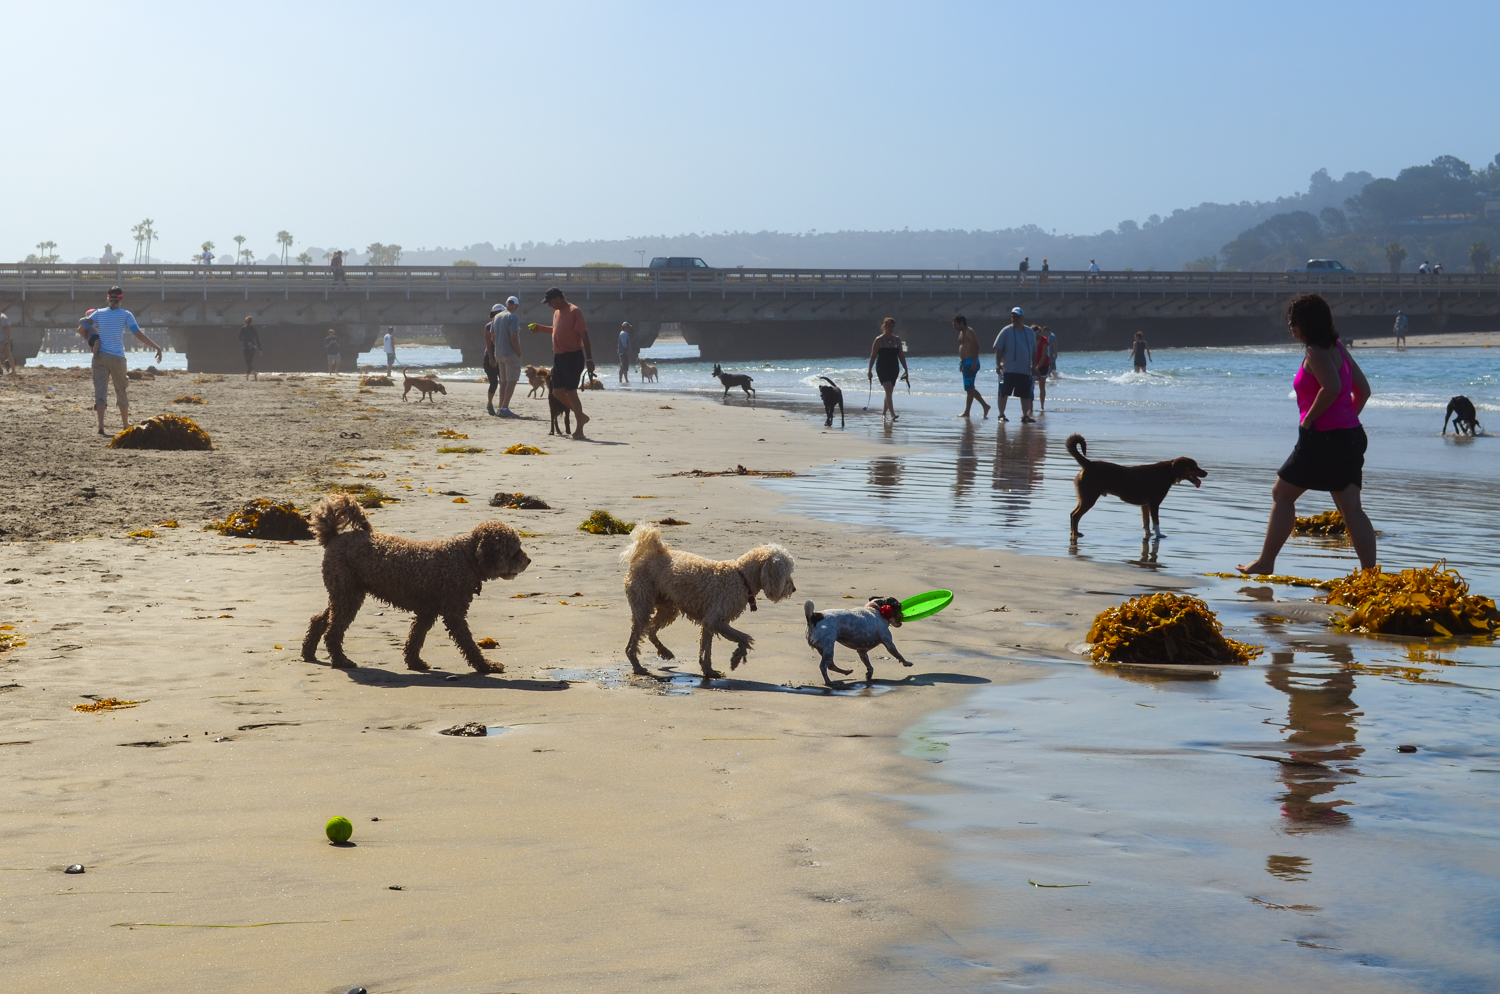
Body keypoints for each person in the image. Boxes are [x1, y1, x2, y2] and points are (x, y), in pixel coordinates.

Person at [1238, 293, 1375, 575]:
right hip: (1350, 436)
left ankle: (1265, 563)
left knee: (1282, 494)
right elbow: (1363, 391)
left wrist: (1308, 422)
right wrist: (1346, 421)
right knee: (1351, 507)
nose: (1290, 325)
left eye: (1294, 320)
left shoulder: (1315, 351)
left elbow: (1333, 387)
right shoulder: (1337, 346)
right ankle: (1369, 574)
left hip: (1322, 438)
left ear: (1307, 323)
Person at [78, 286, 163, 436]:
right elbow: (138, 335)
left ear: (108, 298)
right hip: (117, 357)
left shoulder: (98, 313)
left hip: (100, 357)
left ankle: (101, 427)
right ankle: (125, 425)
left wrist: (91, 344)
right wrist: (157, 347)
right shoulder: (126, 315)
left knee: (100, 391)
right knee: (121, 390)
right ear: (121, 299)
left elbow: (81, 328)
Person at [529, 287, 594, 439]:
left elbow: (584, 335)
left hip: (573, 357)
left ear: (558, 298)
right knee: (556, 391)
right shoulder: (557, 312)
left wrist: (590, 359)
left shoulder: (574, 311)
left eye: (550, 302)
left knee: (571, 392)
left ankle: (579, 431)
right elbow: (557, 330)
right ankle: (581, 416)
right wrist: (541, 329)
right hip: (559, 357)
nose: (549, 305)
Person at [993, 307, 1037, 423]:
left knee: (1025, 394)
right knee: (1003, 392)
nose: (1015, 319)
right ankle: (1001, 415)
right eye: (1013, 317)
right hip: (1008, 369)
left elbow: (1034, 351)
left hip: (1025, 369)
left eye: (1017, 317)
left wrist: (1034, 366)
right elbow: (998, 348)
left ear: (1022, 318)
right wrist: (998, 365)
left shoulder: (1029, 332)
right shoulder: (1006, 331)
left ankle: (1025, 415)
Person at [866, 317, 909, 421]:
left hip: (894, 367)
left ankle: (884, 413)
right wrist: (869, 370)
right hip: (882, 367)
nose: (891, 328)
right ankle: (893, 414)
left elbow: (901, 355)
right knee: (888, 389)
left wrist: (906, 370)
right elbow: (873, 355)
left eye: (893, 326)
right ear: (884, 327)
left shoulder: (898, 340)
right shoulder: (878, 340)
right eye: (889, 326)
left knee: (889, 392)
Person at [954, 315, 990, 419]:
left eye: (955, 324)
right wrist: (962, 363)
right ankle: (984, 406)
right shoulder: (961, 333)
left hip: (971, 362)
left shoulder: (969, 332)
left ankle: (968, 412)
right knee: (969, 388)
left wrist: (974, 362)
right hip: (966, 363)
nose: (954, 327)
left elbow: (976, 346)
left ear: (961, 323)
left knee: (970, 388)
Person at [492, 296, 523, 417]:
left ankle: (501, 406)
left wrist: (500, 347)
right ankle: (505, 408)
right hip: (510, 354)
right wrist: (518, 352)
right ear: (516, 306)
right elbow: (514, 337)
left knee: (503, 382)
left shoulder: (496, 317)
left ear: (506, 304)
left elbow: (492, 338)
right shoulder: (513, 317)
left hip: (499, 354)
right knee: (512, 381)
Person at [1032, 325, 1053, 412]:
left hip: (1043, 365)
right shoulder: (1031, 340)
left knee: (1042, 386)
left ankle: (1042, 406)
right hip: (1033, 364)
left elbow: (1044, 355)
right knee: (1030, 386)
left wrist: (1038, 367)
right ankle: (1030, 406)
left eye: (1036, 333)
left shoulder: (1044, 339)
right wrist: (1033, 366)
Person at [239, 316, 262, 380]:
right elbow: (257, 339)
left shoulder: (243, 328)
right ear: (251, 322)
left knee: (247, 362)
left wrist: (245, 341)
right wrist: (260, 349)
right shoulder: (254, 329)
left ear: (245, 322)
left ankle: (254, 373)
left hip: (246, 346)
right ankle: (247, 377)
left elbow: (240, 338)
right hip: (253, 346)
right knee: (250, 362)